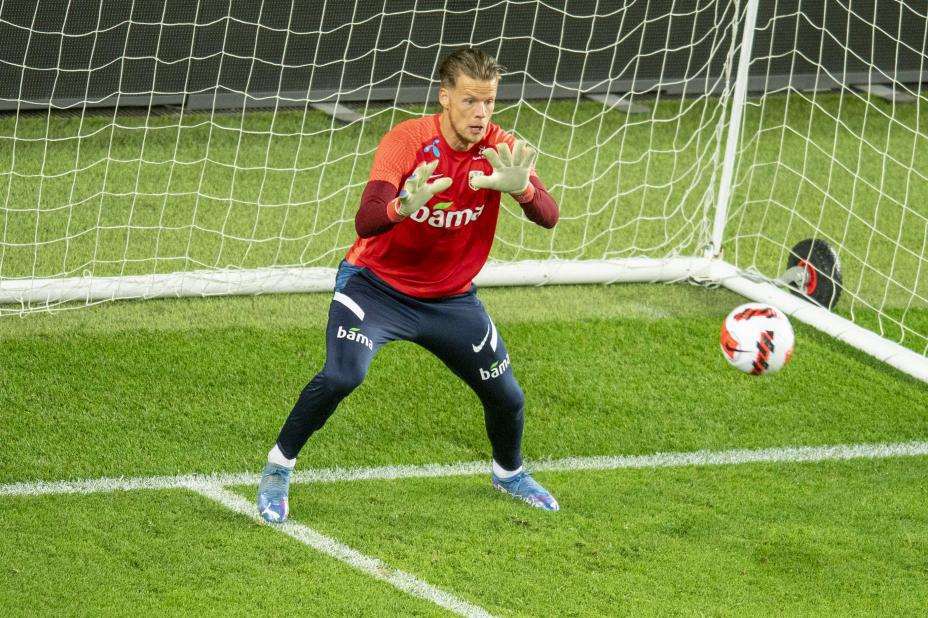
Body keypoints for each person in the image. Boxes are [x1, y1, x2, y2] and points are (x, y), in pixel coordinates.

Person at [257, 47, 560, 523]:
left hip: (450, 300)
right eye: (470, 101)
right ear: (445, 97)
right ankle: (278, 467)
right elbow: (366, 220)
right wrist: (401, 206)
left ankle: (509, 474)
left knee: (507, 397)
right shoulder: (407, 141)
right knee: (342, 376)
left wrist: (522, 188)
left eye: (489, 102)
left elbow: (549, 216)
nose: (481, 114)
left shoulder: (500, 148)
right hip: (375, 288)